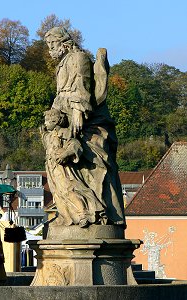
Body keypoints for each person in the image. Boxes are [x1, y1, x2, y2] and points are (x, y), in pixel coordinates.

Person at [44, 27, 126, 227]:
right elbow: (60, 95)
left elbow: (83, 86)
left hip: (86, 119)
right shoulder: (62, 65)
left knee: (88, 160)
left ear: (63, 42)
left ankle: (93, 212)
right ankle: (69, 212)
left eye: (52, 44)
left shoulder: (78, 58)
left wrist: (79, 112)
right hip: (67, 118)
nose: (50, 50)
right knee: (56, 163)